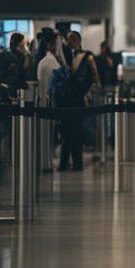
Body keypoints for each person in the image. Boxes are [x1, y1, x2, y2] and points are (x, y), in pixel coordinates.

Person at [58, 31, 98, 171]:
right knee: (70, 134)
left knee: (73, 134)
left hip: (75, 101)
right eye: (69, 39)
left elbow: (95, 81)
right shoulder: (66, 57)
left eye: (73, 39)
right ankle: (70, 163)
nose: (70, 42)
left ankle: (73, 163)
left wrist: (86, 96)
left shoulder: (85, 57)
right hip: (69, 101)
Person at [0, 32, 32, 96]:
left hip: (16, 88)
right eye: (23, 43)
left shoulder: (22, 56)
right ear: (20, 44)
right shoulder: (7, 56)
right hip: (10, 88)